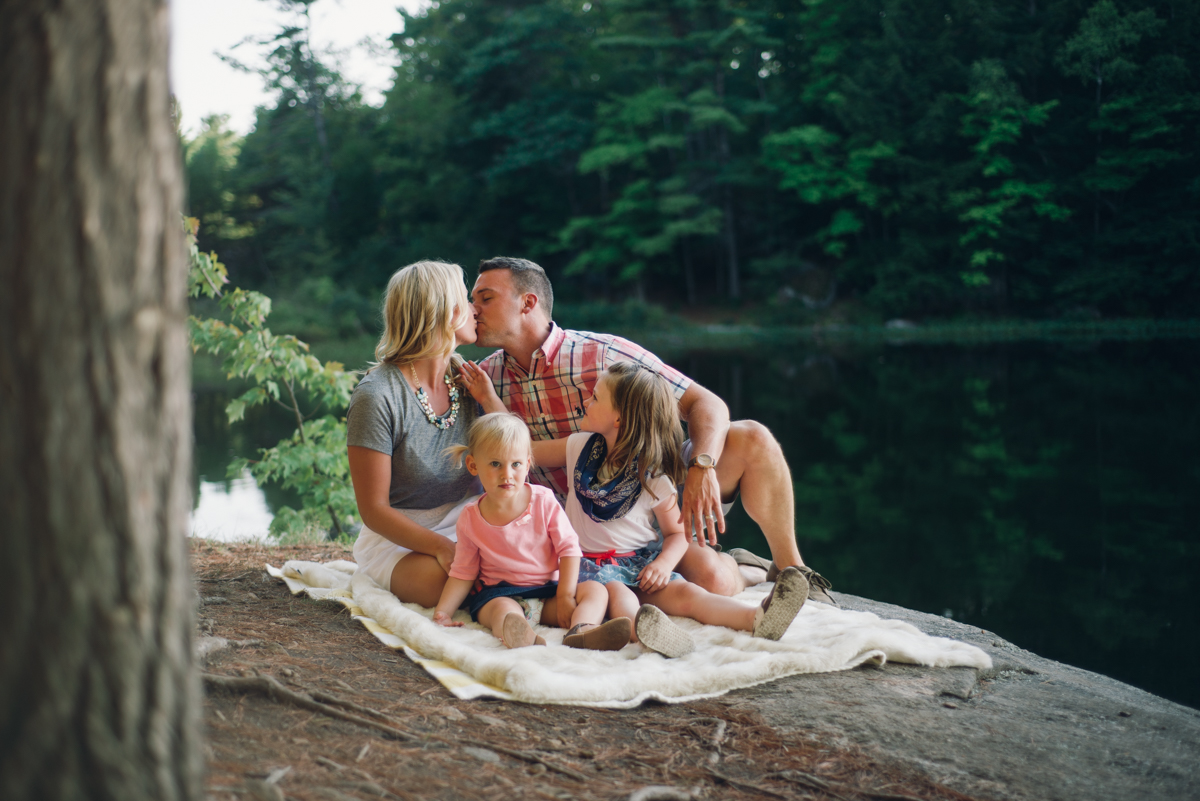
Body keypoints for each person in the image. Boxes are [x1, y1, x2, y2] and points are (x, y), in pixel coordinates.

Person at [468, 256, 835, 604]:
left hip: (651, 499)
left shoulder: (604, 354)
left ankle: (791, 569)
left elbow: (707, 405)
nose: (474, 310)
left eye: (485, 298)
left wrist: (701, 466)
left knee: (751, 436)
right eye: (470, 302)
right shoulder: (484, 379)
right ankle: (745, 568)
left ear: (527, 303)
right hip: (581, 530)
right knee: (713, 581)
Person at [462, 361, 810, 657]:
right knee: (614, 594)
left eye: (596, 398)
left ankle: (756, 618)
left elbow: (676, 533)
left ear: (619, 419)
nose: (587, 400)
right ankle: (645, 629)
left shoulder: (653, 476)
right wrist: (489, 401)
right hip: (585, 569)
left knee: (689, 594)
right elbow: (520, 449)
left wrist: (662, 564)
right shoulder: (577, 448)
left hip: (638, 564)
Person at [346, 260, 484, 609]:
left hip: (467, 522)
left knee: (528, 556)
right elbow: (373, 509)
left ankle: (579, 624)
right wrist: (440, 547)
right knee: (454, 581)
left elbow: (512, 454)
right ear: (450, 313)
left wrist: (491, 400)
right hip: (399, 537)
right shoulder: (377, 395)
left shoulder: (472, 382)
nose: (474, 309)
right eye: (467, 300)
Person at [432, 413, 631, 650]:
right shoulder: (470, 517)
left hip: (548, 592)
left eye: (515, 464)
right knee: (501, 611)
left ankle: (583, 629)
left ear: (527, 465)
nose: (507, 474)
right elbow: (463, 570)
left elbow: (569, 549)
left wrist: (565, 597)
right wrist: (443, 612)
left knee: (595, 590)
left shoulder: (543, 501)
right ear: (473, 465)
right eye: (495, 464)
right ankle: (518, 635)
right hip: (499, 593)